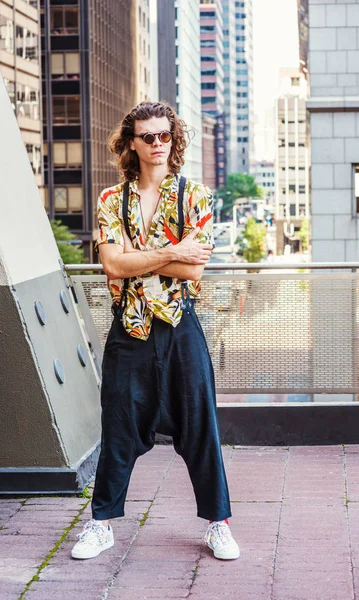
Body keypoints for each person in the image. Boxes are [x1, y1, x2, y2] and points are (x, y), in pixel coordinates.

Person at [71, 101, 239, 561]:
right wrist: (171, 251)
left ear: (175, 138)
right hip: (128, 329)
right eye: (148, 136)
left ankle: (218, 524)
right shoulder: (111, 200)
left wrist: (138, 258)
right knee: (119, 427)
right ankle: (100, 525)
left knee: (201, 424)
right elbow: (112, 263)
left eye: (165, 135)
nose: (157, 144)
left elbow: (195, 271)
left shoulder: (195, 196)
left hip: (181, 326)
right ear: (131, 142)